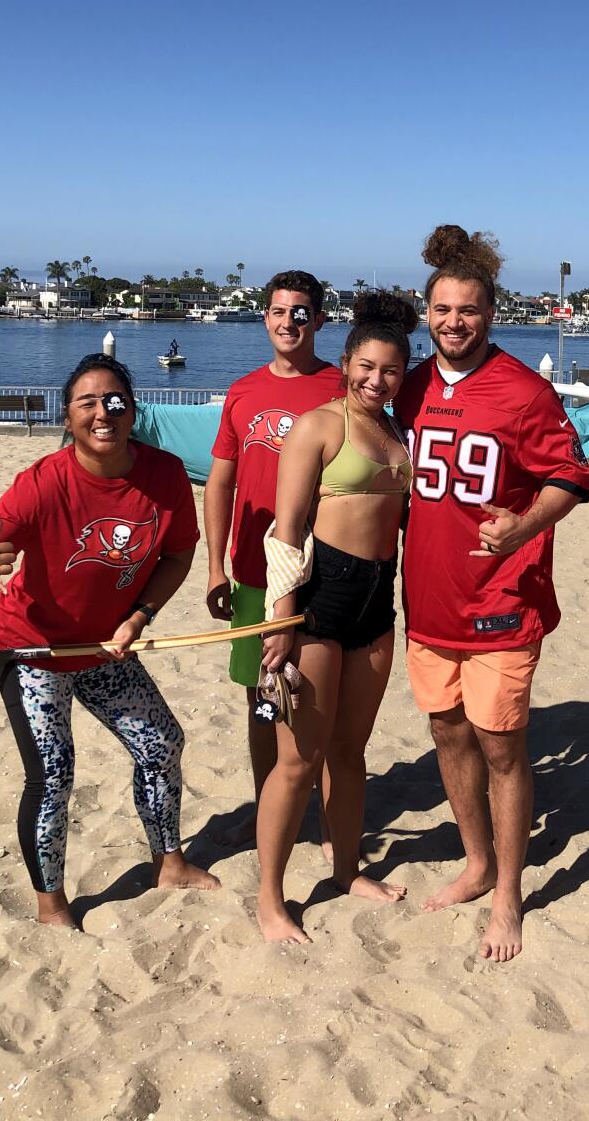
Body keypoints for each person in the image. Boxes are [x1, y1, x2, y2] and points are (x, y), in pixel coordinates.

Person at [0, 353, 218, 927]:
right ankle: (52, 905)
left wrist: (140, 615)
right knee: (53, 773)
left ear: (133, 408)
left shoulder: (165, 475)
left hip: (102, 649)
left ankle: (168, 862)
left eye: (114, 400)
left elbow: (177, 553)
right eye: (87, 403)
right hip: (33, 650)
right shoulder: (41, 485)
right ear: (68, 417)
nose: (103, 413)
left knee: (161, 744)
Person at [394, 225, 589, 963]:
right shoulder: (410, 387)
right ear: (426, 313)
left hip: (503, 601)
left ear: (490, 313)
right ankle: (477, 862)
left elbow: (571, 478)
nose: (454, 322)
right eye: (442, 309)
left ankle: (509, 892)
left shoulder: (525, 391)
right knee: (447, 734)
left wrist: (524, 526)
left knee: (502, 747)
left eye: (468, 310)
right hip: (429, 604)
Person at [254, 291, 419, 943]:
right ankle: (270, 898)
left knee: (350, 753)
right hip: (321, 598)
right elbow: (287, 528)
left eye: (390, 371)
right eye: (367, 367)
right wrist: (281, 616)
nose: (376, 380)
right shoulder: (320, 426)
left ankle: (347, 869)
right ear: (346, 361)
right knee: (298, 761)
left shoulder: (397, 430)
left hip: (379, 598)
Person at [204, 273, 343, 837]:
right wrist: (215, 564)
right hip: (254, 573)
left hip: (325, 569)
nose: (290, 322)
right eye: (280, 311)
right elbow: (220, 484)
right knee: (262, 696)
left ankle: (333, 814)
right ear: (265, 317)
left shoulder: (341, 387)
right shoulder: (243, 392)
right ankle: (269, 807)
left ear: (319, 321)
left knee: (322, 701)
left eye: (302, 312)